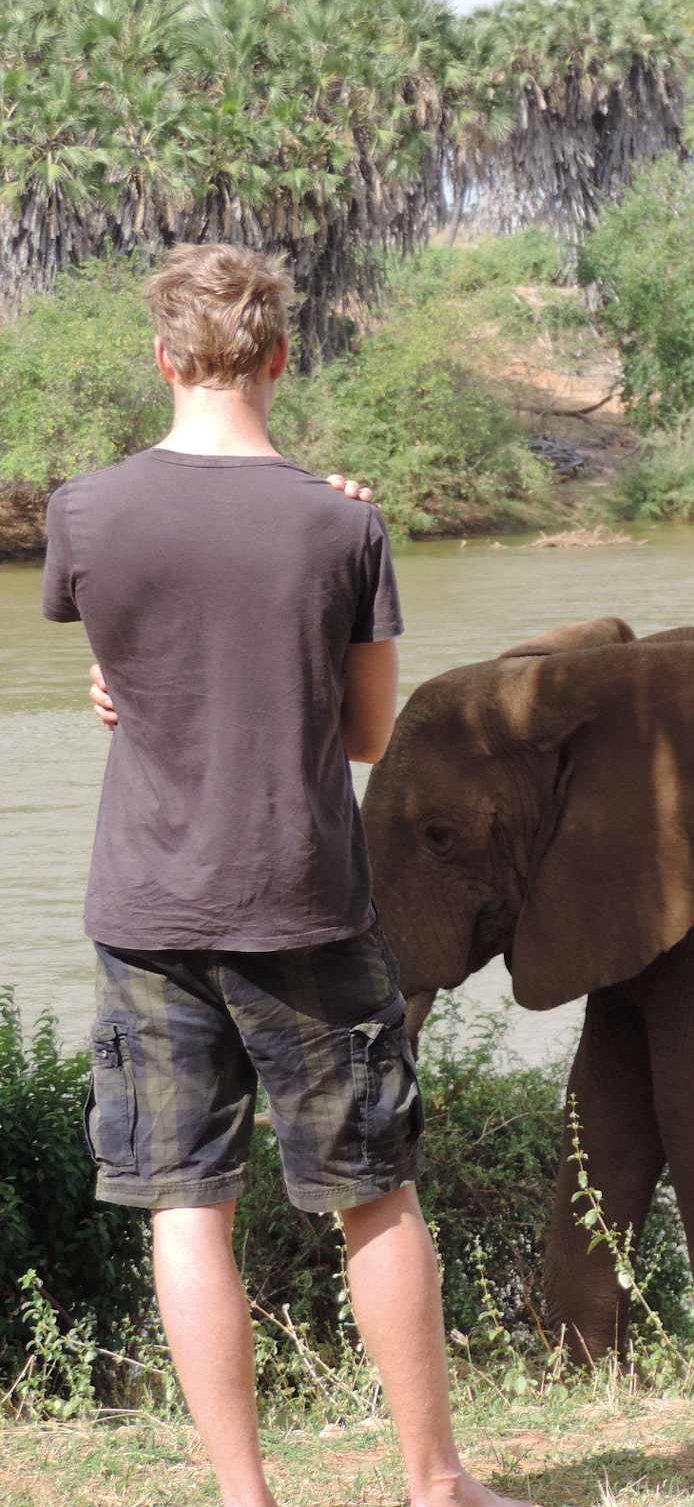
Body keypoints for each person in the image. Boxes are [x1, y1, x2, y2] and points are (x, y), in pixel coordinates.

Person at [42, 244, 532, 1507]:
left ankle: (243, 1495)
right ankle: (435, 1483)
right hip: (304, 901)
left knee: (184, 1206)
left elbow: (129, 672)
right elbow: (366, 735)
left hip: (148, 907)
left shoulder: (83, 511)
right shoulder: (342, 520)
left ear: (162, 358)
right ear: (280, 357)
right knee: (375, 1194)